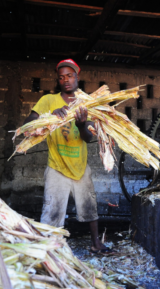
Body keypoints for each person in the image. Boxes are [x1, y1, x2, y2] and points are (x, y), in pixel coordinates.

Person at [24, 59, 112, 254]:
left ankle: (96, 244)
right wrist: (49, 117)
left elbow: (89, 137)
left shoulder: (87, 102)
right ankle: (49, 250)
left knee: (89, 206)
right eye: (62, 77)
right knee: (52, 210)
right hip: (57, 166)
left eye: (70, 76)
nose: (66, 80)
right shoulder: (48, 100)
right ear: (58, 80)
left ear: (77, 77)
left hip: (80, 166)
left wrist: (81, 125)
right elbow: (28, 122)